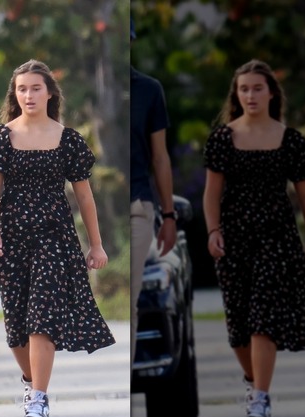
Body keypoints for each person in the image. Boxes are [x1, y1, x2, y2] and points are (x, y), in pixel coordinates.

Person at [0, 59, 115, 417]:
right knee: (16, 327)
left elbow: (85, 198)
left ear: (50, 92)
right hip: (12, 239)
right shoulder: (1, 138)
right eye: (22, 89)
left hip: (55, 238)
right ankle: (29, 381)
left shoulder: (68, 139)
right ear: (15, 94)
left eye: (36, 88)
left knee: (41, 317)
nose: (28, 95)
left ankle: (38, 399)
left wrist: (96, 244)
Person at [203, 59, 305, 417]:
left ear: (272, 93)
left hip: (277, 239)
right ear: (237, 95)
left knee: (263, 318)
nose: (250, 95)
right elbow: (211, 194)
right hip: (234, 239)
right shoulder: (223, 138)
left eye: (257, 88)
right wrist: (214, 231)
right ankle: (251, 381)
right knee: (239, 327)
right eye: (244, 89)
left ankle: (260, 398)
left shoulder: (290, 140)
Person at [129, 17, 177, 362]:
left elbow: (160, 158)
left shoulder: (149, 90)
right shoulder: (83, 91)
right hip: (88, 208)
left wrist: (169, 214)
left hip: (137, 205)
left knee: (127, 296)